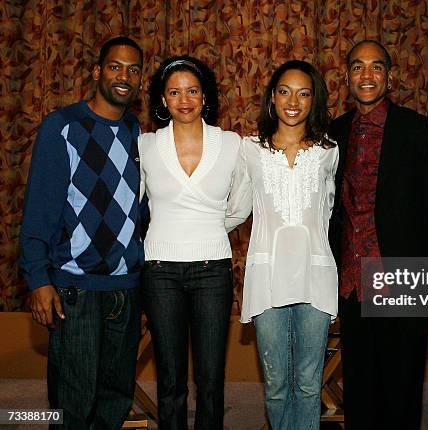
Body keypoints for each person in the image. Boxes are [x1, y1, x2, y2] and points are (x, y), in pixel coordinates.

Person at [19, 36, 144, 428]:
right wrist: (39, 279)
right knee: (73, 404)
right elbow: (39, 208)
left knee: (114, 401)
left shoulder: (138, 133)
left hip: (126, 288)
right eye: (115, 67)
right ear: (96, 72)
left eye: (134, 70)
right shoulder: (63, 126)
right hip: (76, 290)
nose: (124, 76)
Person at [225, 60, 338, 430]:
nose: (294, 100)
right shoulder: (249, 149)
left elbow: (329, 213)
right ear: (272, 98)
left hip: (315, 277)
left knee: (308, 385)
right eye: (285, 91)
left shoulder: (329, 151)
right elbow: (237, 209)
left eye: (304, 93)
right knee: (275, 387)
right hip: (267, 276)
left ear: (314, 100)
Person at [328, 40, 428, 429]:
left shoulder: (419, 130)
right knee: (360, 388)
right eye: (358, 67)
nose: (366, 75)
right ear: (347, 77)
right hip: (353, 278)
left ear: (390, 77)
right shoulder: (334, 132)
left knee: (402, 391)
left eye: (376, 67)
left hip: (400, 277)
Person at [139, 56, 240, 430]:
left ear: (205, 96)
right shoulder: (145, 145)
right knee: (170, 379)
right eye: (174, 92)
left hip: (213, 270)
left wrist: (210, 227)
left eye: (192, 90)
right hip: (160, 271)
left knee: (211, 380)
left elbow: (241, 204)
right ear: (162, 100)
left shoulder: (230, 144)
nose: (184, 99)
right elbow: (137, 202)